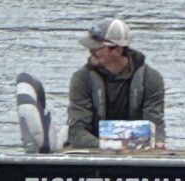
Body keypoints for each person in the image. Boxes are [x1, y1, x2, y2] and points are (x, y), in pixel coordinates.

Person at [64, 18, 167, 150]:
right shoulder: (81, 79)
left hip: (138, 150)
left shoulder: (151, 79)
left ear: (117, 50)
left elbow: (155, 123)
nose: (91, 51)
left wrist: (158, 141)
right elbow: (77, 133)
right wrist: (113, 146)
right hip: (93, 149)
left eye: (97, 48)